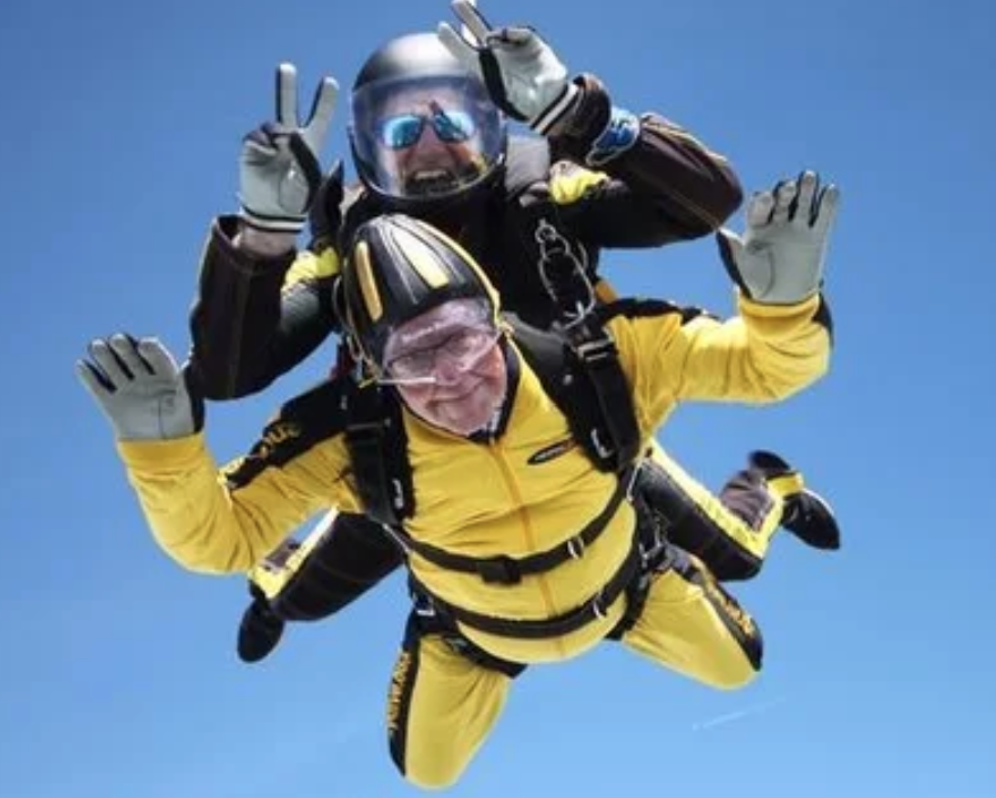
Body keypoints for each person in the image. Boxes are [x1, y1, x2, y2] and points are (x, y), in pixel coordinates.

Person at [78, 168, 838, 787]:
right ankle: (296, 598)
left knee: (739, 648)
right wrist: (165, 453)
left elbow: (764, 366)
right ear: (373, 366)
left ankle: (768, 484)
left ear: (498, 315)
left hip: (622, 583)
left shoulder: (601, 357)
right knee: (424, 771)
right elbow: (218, 537)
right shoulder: (353, 427)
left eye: (463, 340)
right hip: (475, 628)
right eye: (414, 361)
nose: (452, 379)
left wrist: (782, 306)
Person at [187, 0, 837, 664]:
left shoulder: (540, 191)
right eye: (403, 129)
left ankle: (767, 484)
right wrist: (261, 242)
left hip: (578, 433)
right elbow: (227, 374)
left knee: (734, 553)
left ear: (492, 125)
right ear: (366, 151)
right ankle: (279, 595)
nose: (431, 145)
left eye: (452, 120)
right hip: (415, 466)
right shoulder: (349, 242)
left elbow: (704, 206)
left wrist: (574, 112)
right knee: (298, 593)